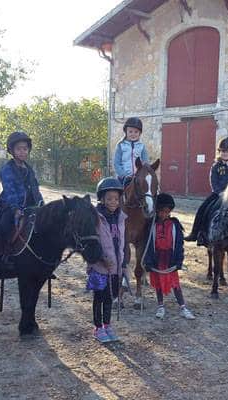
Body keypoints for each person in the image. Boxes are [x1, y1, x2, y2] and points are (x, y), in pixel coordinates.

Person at [0, 131, 44, 282]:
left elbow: (35, 189)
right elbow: (10, 190)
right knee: (3, 227)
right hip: (10, 205)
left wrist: (42, 206)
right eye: (19, 149)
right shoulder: (7, 169)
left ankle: (39, 262)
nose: (22, 151)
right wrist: (16, 208)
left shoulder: (29, 169)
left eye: (25, 148)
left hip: (30, 206)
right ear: (12, 151)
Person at [143, 193, 195, 320]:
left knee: (174, 283)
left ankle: (183, 307)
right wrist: (148, 261)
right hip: (157, 259)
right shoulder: (151, 225)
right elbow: (148, 244)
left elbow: (178, 244)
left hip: (170, 259)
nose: (164, 214)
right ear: (157, 210)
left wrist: (179, 260)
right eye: (162, 211)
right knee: (159, 283)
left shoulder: (174, 225)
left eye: (167, 212)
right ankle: (160, 306)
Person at [87, 177, 126, 343]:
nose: (113, 202)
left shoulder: (121, 218)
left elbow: (122, 243)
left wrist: (123, 264)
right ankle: (97, 328)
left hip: (115, 268)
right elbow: (92, 244)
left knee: (110, 298)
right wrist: (101, 259)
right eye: (109, 198)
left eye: (116, 199)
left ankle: (107, 325)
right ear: (101, 199)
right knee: (99, 298)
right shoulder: (95, 218)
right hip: (100, 268)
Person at [185, 137, 228, 245]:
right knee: (203, 208)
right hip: (218, 194)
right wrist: (219, 192)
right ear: (219, 152)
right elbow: (213, 181)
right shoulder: (215, 166)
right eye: (223, 151)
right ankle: (196, 232)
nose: (225, 154)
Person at [113, 117, 149, 186]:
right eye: (130, 131)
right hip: (124, 178)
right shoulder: (121, 145)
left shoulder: (142, 146)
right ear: (126, 132)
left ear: (140, 133)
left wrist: (142, 173)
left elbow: (145, 162)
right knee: (118, 192)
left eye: (136, 132)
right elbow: (116, 163)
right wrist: (123, 175)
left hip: (138, 177)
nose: (133, 134)